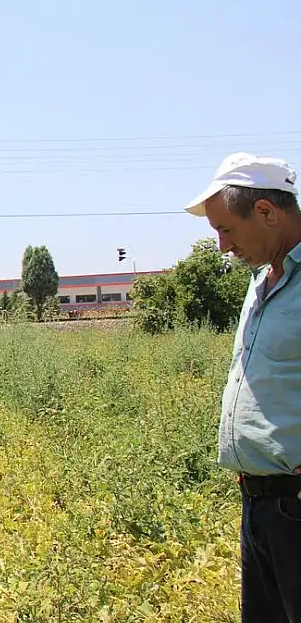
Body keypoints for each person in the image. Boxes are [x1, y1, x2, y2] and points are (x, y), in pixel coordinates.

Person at [183, 151, 301, 623]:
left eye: (226, 229)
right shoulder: (260, 284)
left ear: (267, 212)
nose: (222, 246)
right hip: (259, 505)